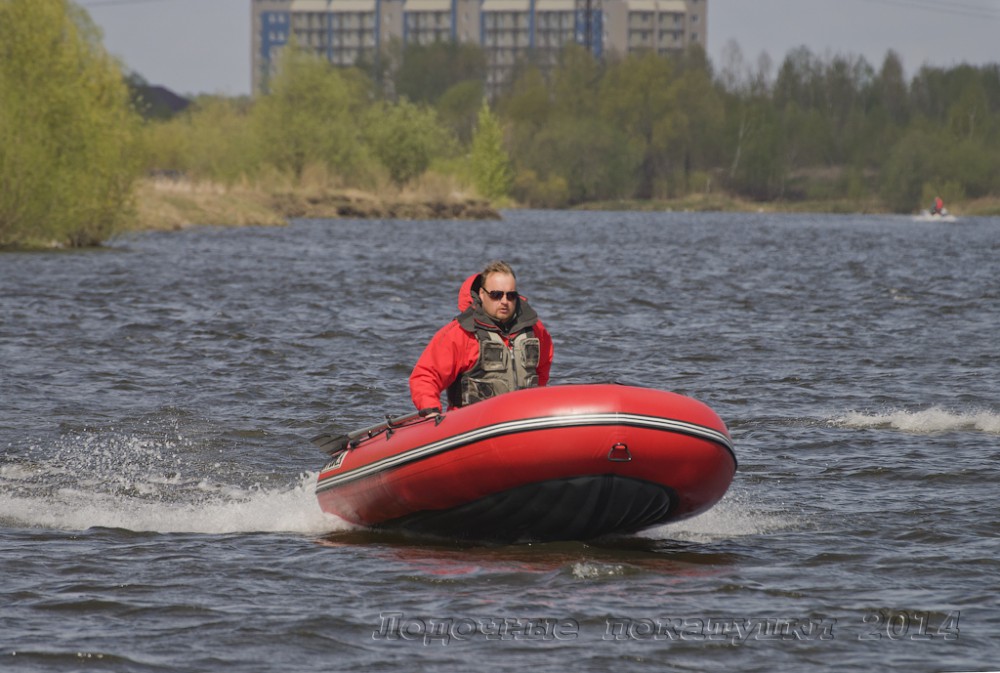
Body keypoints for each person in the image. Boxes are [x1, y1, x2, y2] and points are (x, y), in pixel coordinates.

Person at [409, 261, 554, 415]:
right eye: (496, 295)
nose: (504, 301)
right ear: (482, 294)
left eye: (511, 296)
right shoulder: (460, 333)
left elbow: (542, 369)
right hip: (472, 424)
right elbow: (425, 377)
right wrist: (431, 411)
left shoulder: (535, 329)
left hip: (523, 419)